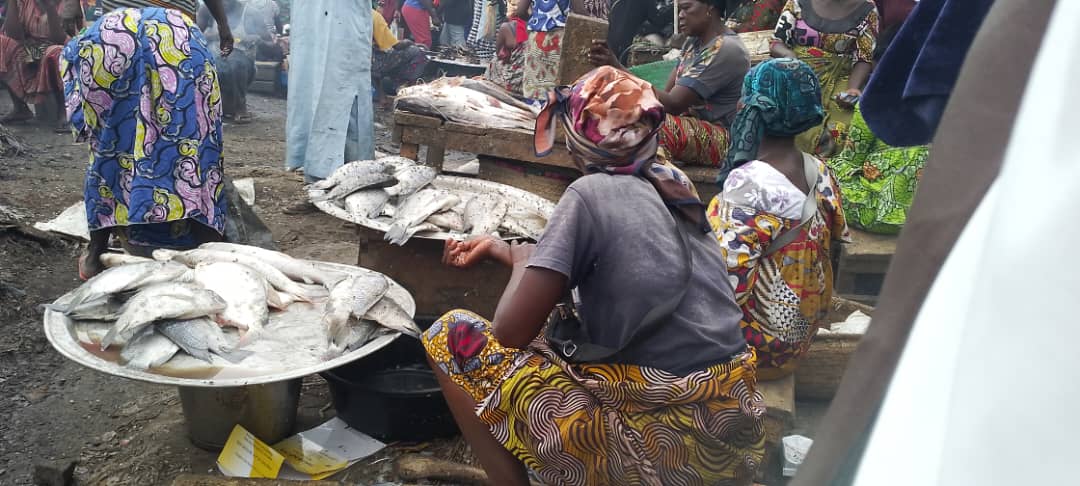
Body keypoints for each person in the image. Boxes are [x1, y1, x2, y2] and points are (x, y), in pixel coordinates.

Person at [422, 66, 765, 486]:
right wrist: (508, 251)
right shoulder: (674, 184)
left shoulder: (591, 193)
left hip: (667, 436)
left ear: (581, 140)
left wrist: (522, 257)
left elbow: (510, 331)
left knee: (449, 334)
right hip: (730, 413)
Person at [62, 3, 235, 278]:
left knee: (109, 142)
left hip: (113, 33)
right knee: (194, 140)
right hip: (175, 34)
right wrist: (223, 25)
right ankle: (209, 244)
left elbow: (70, 14)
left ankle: (95, 253)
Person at [706, 58, 849, 379]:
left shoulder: (748, 187)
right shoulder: (819, 170)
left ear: (751, 108)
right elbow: (837, 241)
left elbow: (724, 285)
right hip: (798, 339)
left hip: (757, 353)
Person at [589, 0, 750, 167]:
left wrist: (617, 68)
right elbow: (660, 101)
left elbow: (674, 104)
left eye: (687, 8)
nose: (680, 15)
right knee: (614, 111)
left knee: (653, 128)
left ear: (710, 8)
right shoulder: (692, 44)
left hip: (724, 140)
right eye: (680, 9)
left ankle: (659, 182)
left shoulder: (725, 48)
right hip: (689, 125)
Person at [827, 26, 928, 235]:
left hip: (880, 213)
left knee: (824, 178)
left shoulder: (872, 104)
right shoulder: (942, 98)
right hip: (931, 214)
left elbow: (850, 161)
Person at [284, 2, 374, 214]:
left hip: (345, 28)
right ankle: (318, 188)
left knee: (346, 103)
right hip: (311, 25)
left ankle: (356, 190)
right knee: (310, 99)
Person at [770, 0, 878, 157]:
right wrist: (791, 57)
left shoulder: (867, 10)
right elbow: (776, 43)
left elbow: (864, 58)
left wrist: (852, 89)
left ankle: (825, 173)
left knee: (844, 126)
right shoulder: (798, 3)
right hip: (796, 72)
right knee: (781, 111)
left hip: (841, 78)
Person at [198, 0, 275, 123]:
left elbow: (272, 47)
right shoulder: (207, 9)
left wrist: (259, 40)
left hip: (242, 67)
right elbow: (192, 35)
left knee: (234, 60)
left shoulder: (251, 13)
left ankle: (240, 105)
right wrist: (213, 36)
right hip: (213, 62)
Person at [0, 0, 75, 125]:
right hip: (31, 49)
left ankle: (65, 111)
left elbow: (59, 39)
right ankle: (20, 108)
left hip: (64, 51)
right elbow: (13, 35)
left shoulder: (70, 3)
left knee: (54, 52)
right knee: (2, 43)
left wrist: (49, 7)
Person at [516, 0, 585, 101]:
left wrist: (537, 19)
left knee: (534, 86)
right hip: (561, 38)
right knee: (559, 89)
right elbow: (579, 10)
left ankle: (534, 110)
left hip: (536, 38)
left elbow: (521, 11)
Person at [372, 7, 427, 99]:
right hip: (373, 62)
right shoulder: (374, 16)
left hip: (354, 60)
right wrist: (411, 42)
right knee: (419, 52)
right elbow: (396, 46)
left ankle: (386, 89)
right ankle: (403, 86)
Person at [483, 12, 526, 95]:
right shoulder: (538, 28)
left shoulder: (506, 27)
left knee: (495, 60)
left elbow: (499, 54)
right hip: (527, 82)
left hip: (510, 80)